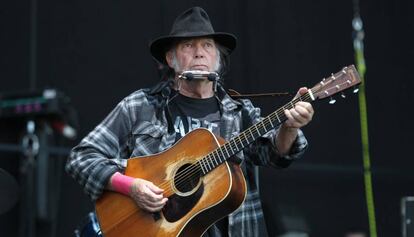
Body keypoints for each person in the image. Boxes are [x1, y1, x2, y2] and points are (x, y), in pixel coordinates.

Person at [66, 6, 314, 237]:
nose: (199, 52)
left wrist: (289, 127)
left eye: (207, 45)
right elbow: (82, 158)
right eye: (188, 45)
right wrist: (130, 187)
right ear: (171, 59)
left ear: (218, 58)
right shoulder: (140, 106)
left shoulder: (240, 113)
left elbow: (275, 153)